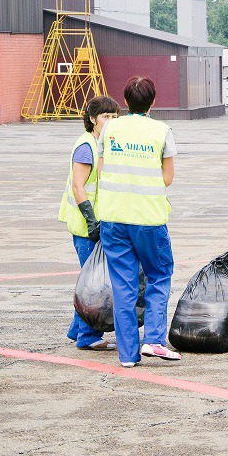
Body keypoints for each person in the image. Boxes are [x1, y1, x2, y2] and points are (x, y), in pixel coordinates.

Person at [96, 77, 180, 367]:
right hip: (148, 218)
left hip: (113, 217)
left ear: (124, 102)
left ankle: (128, 354)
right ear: (153, 102)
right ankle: (154, 340)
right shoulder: (161, 131)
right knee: (158, 275)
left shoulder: (109, 128)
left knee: (123, 285)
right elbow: (167, 178)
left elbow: (103, 168)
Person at [59, 95, 120, 351]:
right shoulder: (86, 146)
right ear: (92, 119)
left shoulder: (105, 144)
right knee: (93, 285)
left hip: (98, 224)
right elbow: (78, 186)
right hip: (85, 227)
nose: (110, 122)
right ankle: (86, 337)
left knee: (90, 279)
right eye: (105, 117)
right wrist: (92, 221)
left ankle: (77, 329)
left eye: (114, 117)